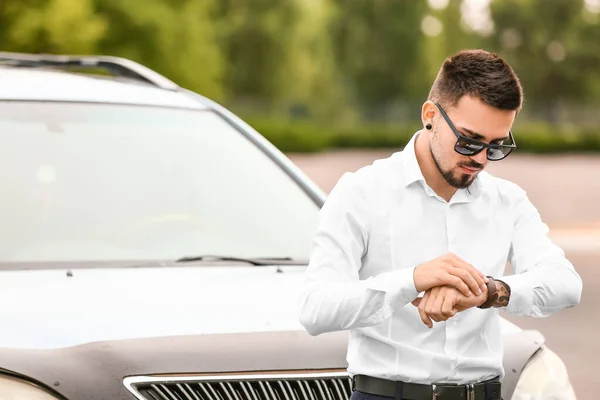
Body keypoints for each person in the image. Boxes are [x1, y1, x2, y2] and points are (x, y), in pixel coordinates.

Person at [297, 49, 583, 400]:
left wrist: (489, 292)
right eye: (469, 141)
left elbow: (566, 284)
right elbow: (315, 307)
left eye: (496, 147)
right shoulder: (361, 192)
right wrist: (412, 279)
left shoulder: (508, 200)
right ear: (430, 115)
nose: (480, 159)